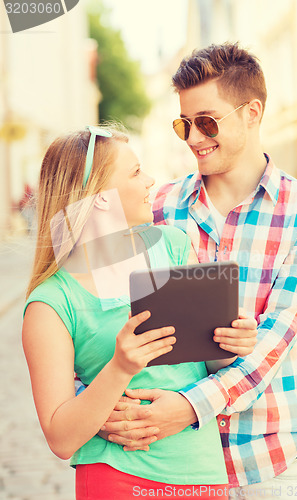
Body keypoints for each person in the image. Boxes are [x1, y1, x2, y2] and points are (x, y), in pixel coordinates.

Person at [99, 43, 297, 499]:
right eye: (183, 124)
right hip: (174, 463)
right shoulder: (159, 206)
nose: (192, 138)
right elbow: (102, 310)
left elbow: (272, 343)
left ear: (252, 112)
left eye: (207, 122)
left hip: (271, 459)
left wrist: (188, 407)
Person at [22, 124, 258, 500]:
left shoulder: (174, 247)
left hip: (201, 472)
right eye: (135, 172)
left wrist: (230, 343)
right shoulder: (51, 304)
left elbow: (205, 362)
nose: (150, 181)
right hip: (116, 478)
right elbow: (61, 438)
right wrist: (120, 367)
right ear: (100, 197)